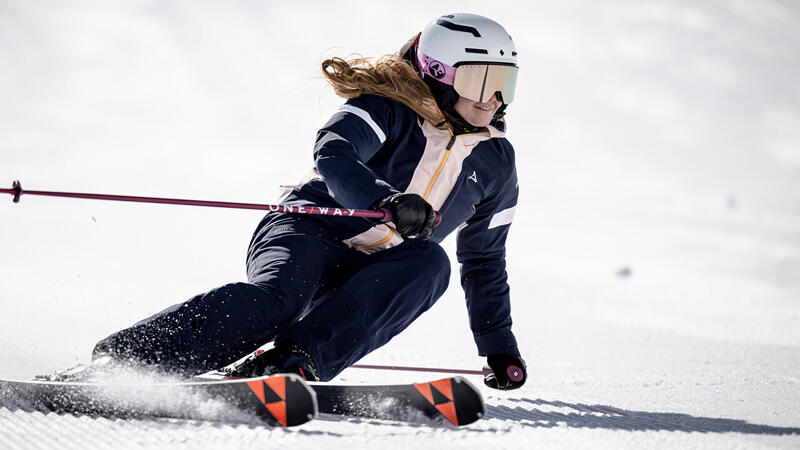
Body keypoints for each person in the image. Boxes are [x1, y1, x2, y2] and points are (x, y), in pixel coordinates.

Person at [91, 13, 527, 390]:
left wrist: (499, 348)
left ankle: (290, 365)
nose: (494, 99)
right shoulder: (387, 109)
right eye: (480, 80)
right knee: (276, 303)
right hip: (309, 229)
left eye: (504, 83)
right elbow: (333, 150)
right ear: (438, 71)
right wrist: (386, 199)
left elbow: (484, 259)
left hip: (375, 267)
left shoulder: (496, 162)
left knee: (431, 263)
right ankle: (127, 360)